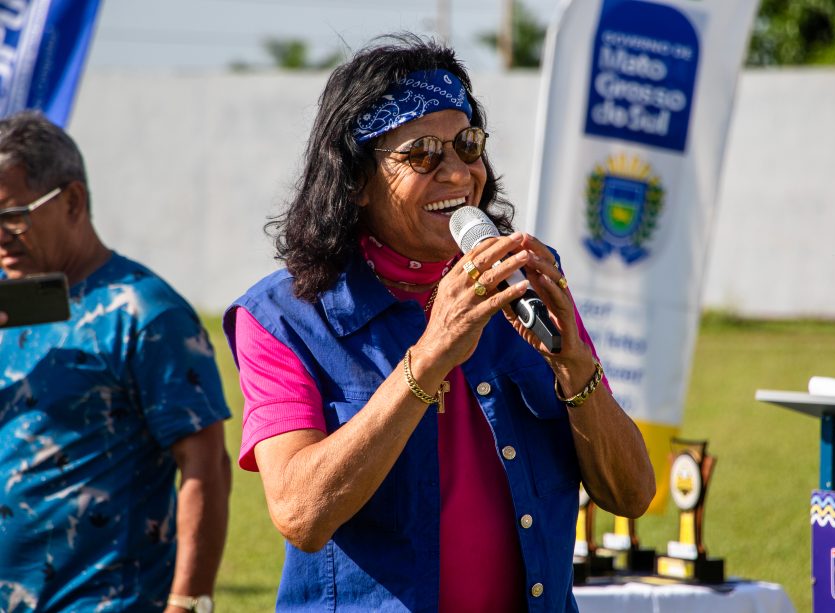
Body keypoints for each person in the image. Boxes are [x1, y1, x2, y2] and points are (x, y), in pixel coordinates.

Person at [223, 35, 655, 612]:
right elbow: (301, 515)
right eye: (423, 154)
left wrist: (577, 369)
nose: (457, 174)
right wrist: (431, 354)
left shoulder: (524, 279)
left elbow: (631, 493)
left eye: (467, 145)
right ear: (355, 180)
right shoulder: (283, 317)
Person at [0, 111, 231, 612]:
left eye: (10, 216)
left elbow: (206, 464)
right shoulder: (10, 306)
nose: (0, 237)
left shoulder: (144, 312)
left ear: (73, 202)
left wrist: (188, 603)